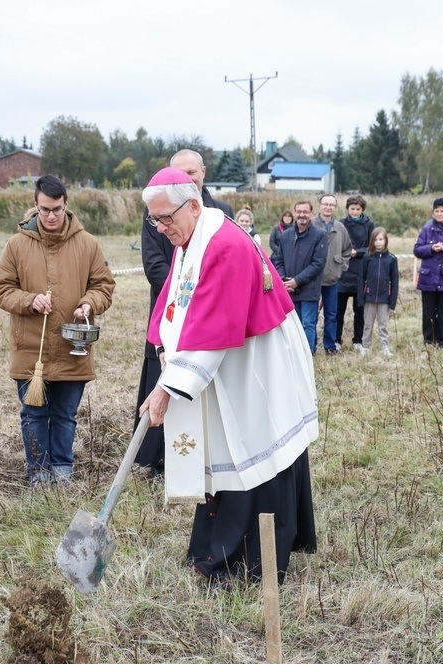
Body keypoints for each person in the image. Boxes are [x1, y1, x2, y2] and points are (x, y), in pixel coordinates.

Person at [138, 167, 319, 585]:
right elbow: (174, 294)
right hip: (232, 358)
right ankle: (214, 543)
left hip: (257, 360)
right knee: (228, 445)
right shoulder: (191, 237)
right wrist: (163, 343)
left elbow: (216, 324)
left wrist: (168, 387)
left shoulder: (223, 244)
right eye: (155, 220)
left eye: (166, 218)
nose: (161, 228)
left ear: (194, 205)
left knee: (254, 447)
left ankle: (244, 558)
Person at [0, 175, 116, 485]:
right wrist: (29, 300)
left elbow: (104, 286)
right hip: (30, 353)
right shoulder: (17, 245)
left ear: (66, 206)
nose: (50, 216)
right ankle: (38, 475)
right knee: (33, 415)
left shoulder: (88, 244)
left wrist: (88, 303)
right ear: (35, 206)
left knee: (64, 416)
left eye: (56, 209)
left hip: (73, 348)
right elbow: (1, 289)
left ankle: (62, 473)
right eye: (45, 209)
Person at [134, 150, 233, 476]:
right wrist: (180, 295)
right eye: (180, 172)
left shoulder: (220, 213)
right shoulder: (159, 211)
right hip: (170, 310)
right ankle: (155, 458)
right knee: (159, 379)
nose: (186, 179)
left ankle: (196, 457)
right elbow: (155, 263)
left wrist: (196, 298)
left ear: (203, 173)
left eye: (192, 172)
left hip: (209, 315)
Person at [272, 200, 329, 352]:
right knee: (292, 326)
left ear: (311, 213)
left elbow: (318, 264)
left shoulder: (320, 236)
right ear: (294, 212)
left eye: (305, 212)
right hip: (289, 290)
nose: (302, 215)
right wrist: (285, 280)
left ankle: (307, 355)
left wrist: (297, 281)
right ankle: (295, 356)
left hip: (309, 289)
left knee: (307, 324)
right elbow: (278, 260)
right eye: (299, 211)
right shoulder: (286, 235)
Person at [413, 198, 443, 347]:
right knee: (428, 313)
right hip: (428, 279)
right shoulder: (426, 230)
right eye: (436, 211)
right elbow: (417, 250)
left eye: (442, 211)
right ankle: (428, 340)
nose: (439, 214)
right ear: (433, 213)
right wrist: (431, 248)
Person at [311, 194, 353, 355]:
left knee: (331, 314)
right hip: (312, 280)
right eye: (325, 204)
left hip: (332, 280)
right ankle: (311, 346)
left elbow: (347, 250)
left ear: (335, 207)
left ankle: (330, 346)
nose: (328, 207)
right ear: (320, 205)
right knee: (311, 316)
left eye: (331, 205)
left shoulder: (340, 228)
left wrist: (340, 267)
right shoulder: (311, 224)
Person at [337, 195, 375, 353]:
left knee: (360, 310)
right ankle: (336, 340)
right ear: (347, 209)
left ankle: (358, 340)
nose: (354, 212)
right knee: (338, 310)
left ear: (362, 210)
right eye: (352, 209)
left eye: (358, 209)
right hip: (342, 272)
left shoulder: (369, 224)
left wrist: (358, 252)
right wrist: (347, 253)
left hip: (361, 270)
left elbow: (372, 246)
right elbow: (336, 244)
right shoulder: (340, 224)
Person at [360, 227, 398, 356]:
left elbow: (395, 282)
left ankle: (384, 347)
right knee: (368, 323)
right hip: (369, 297)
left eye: (381, 239)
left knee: (383, 324)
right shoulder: (367, 257)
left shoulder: (392, 259)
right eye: (375, 240)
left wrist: (392, 300)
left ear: (386, 240)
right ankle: (366, 345)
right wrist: (361, 296)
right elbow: (361, 278)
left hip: (384, 298)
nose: (378, 242)